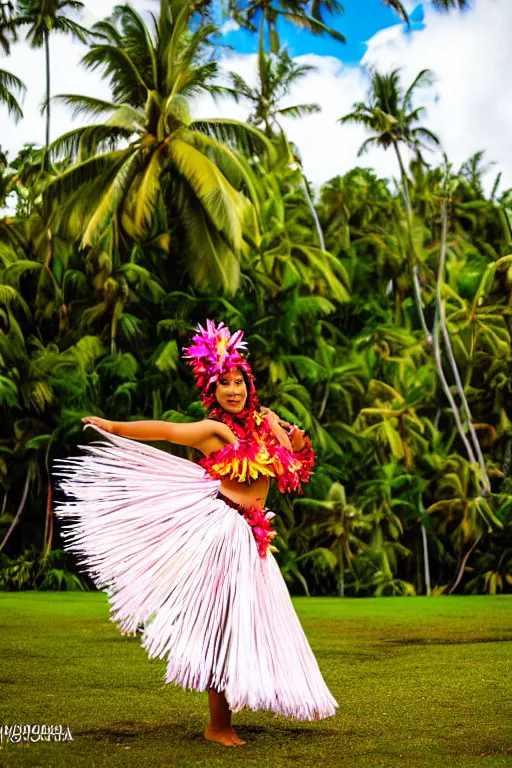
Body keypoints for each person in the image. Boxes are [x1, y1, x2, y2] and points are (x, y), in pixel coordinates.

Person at [53, 319, 338, 748]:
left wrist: (296, 444)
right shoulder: (215, 431)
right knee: (221, 626)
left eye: (238, 381)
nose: (234, 390)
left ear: (249, 383)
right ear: (213, 391)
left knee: (253, 622)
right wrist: (114, 425)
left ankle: (246, 699)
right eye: (224, 384)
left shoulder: (267, 423)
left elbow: (296, 470)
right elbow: (166, 431)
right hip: (222, 533)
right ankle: (217, 724)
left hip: (255, 537)